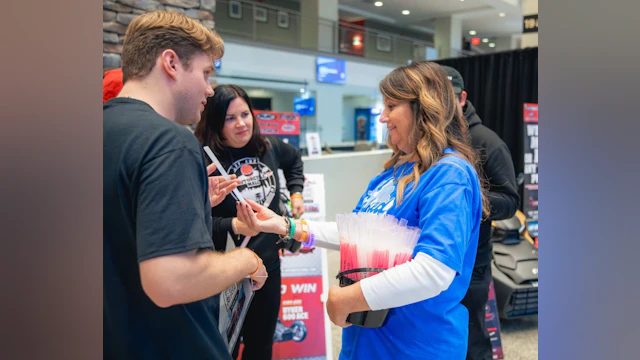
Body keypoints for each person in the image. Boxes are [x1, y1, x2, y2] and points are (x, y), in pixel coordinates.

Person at [234, 61, 490, 359]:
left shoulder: (449, 174)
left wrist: (346, 299)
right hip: (366, 339)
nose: (383, 117)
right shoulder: (393, 172)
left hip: (415, 345)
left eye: (391, 105)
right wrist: (285, 226)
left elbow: (435, 271)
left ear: (424, 108)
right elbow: (356, 235)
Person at [103, 10, 268, 360]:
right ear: (172, 63)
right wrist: (245, 260)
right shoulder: (169, 141)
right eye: (206, 73)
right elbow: (169, 281)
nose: (209, 89)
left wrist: (191, 205)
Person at [194, 84, 305, 360]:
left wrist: (296, 191)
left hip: (267, 265)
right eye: (230, 118)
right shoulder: (202, 158)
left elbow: (294, 161)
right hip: (222, 269)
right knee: (222, 347)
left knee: (261, 344)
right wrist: (234, 225)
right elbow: (196, 222)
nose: (241, 124)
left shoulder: (268, 146)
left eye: (245, 114)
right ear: (216, 123)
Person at [442, 65, 520, 360]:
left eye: (449, 99)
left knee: (472, 341)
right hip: (432, 258)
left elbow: (510, 201)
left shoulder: (488, 142)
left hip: (471, 261)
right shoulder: (432, 140)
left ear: (462, 99)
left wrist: (468, 197)